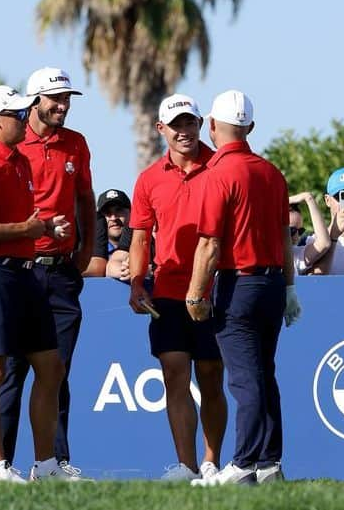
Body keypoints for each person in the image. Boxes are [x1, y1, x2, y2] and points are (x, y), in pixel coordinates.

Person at [0, 84, 73, 482]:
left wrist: (43, 229)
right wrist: (28, 227)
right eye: (17, 115)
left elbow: (23, 222)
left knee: (51, 366)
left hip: (25, 272)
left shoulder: (19, 161)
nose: (26, 119)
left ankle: (44, 465)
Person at [188, 89, 302, 486]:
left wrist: (196, 294)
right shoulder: (272, 173)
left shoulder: (218, 174)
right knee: (264, 374)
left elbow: (209, 244)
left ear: (213, 126)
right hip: (272, 286)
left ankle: (242, 464)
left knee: (245, 379)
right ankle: (269, 463)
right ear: (250, 127)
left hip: (238, 284)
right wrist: (289, 289)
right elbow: (285, 239)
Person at [0, 67, 95, 479]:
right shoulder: (15, 143)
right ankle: (0, 466)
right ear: (35, 101)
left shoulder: (76, 144)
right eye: (56, 98)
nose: (63, 106)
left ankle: (54, 463)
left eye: (67, 98)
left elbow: (86, 200)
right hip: (19, 272)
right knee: (12, 372)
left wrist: (86, 252)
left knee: (57, 372)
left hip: (60, 274)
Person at [126, 93, 227, 482]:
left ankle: (211, 463)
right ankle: (186, 466)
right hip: (167, 289)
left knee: (212, 373)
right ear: (161, 129)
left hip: (215, 289)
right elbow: (139, 238)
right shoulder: (149, 178)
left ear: (201, 125)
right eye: (176, 124)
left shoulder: (219, 167)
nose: (184, 131)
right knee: (174, 371)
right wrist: (136, 280)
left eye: (190, 123)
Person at [85, 189, 132, 279]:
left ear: (130, 213)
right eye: (107, 213)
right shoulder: (88, 251)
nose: (113, 218)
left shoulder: (144, 245)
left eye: (119, 211)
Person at [288, 191, 330, 275]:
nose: (297, 237)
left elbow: (324, 243)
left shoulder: (294, 255)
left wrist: (309, 198)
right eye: (291, 231)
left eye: (300, 231)